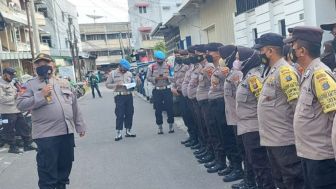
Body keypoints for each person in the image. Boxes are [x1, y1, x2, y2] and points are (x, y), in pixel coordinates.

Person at [17, 53, 86, 189]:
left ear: (53, 65)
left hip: (66, 132)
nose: (43, 66)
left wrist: (80, 126)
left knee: (64, 170)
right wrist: (40, 95)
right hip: (46, 135)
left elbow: (74, 105)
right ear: (34, 67)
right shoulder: (29, 85)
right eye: (39, 64)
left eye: (46, 63)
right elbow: (20, 104)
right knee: (47, 174)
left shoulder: (63, 83)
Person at [285, 26, 336, 189]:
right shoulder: (309, 73)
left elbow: (334, 116)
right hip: (310, 154)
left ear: (302, 51)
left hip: (321, 159)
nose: (290, 49)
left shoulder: (320, 75)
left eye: (293, 45)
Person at [254, 33, 304, 189]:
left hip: (284, 140)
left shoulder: (285, 72)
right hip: (272, 139)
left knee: (292, 180)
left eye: (261, 50)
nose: (259, 54)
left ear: (270, 51)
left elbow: (297, 107)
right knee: (280, 179)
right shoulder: (271, 71)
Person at [235, 47, 275, 189]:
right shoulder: (247, 76)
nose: (237, 61)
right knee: (256, 164)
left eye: (239, 58)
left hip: (254, 128)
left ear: (248, 60)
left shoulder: (254, 78)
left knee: (261, 165)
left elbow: (262, 103)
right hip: (247, 127)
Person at [0, 67, 35, 153]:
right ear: (5, 74)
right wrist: (15, 96)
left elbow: (17, 92)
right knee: (9, 130)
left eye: (13, 75)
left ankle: (27, 144)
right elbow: (2, 99)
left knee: (24, 127)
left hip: (17, 109)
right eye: (10, 75)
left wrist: (21, 92)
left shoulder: (12, 83)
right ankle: (12, 147)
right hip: (7, 111)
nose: (12, 77)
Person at [106, 59, 136, 141]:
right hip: (119, 96)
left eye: (126, 69)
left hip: (129, 95)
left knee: (130, 113)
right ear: (120, 66)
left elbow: (134, 83)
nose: (125, 70)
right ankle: (118, 132)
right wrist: (116, 85)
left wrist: (136, 83)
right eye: (124, 69)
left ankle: (128, 131)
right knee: (120, 114)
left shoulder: (129, 73)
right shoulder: (112, 73)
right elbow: (107, 85)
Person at [171, 50, 197, 145]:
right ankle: (191, 136)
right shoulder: (177, 66)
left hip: (187, 94)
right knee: (185, 116)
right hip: (179, 94)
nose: (178, 57)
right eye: (176, 56)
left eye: (180, 56)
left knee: (191, 117)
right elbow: (175, 79)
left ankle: (195, 138)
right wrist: (173, 87)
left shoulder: (188, 66)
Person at [146, 51, 175, 134]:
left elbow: (173, 77)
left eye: (161, 59)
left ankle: (171, 125)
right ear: (155, 59)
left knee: (169, 108)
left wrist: (167, 77)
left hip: (166, 89)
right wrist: (155, 79)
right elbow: (148, 77)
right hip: (157, 90)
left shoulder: (169, 66)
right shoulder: (151, 67)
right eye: (158, 59)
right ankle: (160, 127)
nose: (160, 61)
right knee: (158, 109)